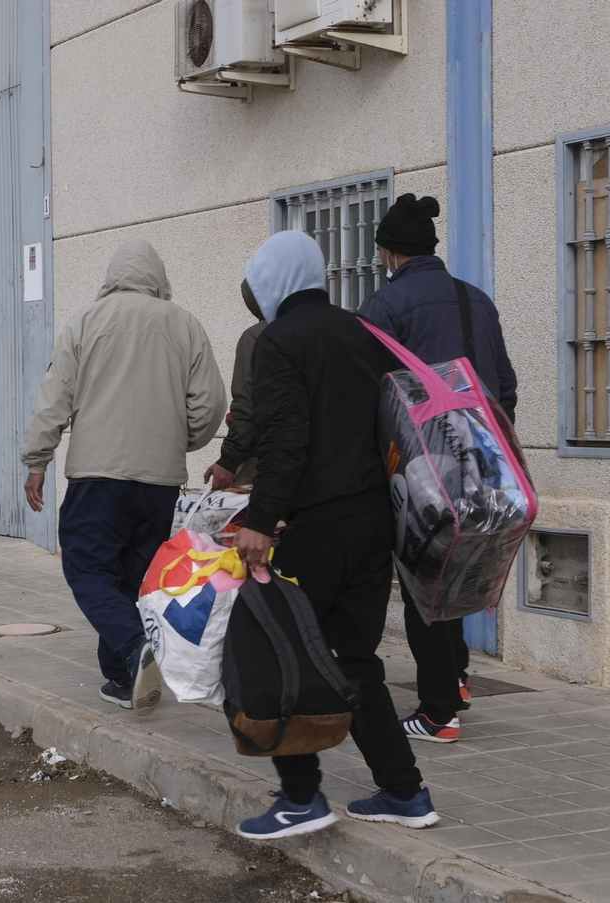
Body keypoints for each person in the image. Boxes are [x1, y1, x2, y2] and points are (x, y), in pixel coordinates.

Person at [231, 230, 438, 840]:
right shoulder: (361, 332)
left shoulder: (278, 342)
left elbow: (285, 439)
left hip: (315, 523)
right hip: (374, 524)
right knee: (353, 659)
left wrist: (260, 522)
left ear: (271, 282)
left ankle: (300, 798)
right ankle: (405, 791)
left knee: (274, 649)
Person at [21, 238, 226, 716]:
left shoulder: (85, 324)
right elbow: (211, 403)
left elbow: (54, 399)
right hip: (158, 481)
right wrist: (181, 441)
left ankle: (136, 648)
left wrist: (37, 460)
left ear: (112, 277)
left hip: (98, 474)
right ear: (159, 279)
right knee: (134, 576)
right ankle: (119, 678)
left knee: (88, 568)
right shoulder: (185, 325)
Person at [358, 193, 519, 745]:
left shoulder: (385, 307)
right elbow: (506, 386)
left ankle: (437, 713)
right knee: (464, 568)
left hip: (425, 463)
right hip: (489, 458)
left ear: (389, 252)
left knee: (425, 578)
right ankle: (457, 679)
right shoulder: (478, 301)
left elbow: (368, 391)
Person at [202, 302, 268, 490]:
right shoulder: (331, 330)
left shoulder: (256, 336)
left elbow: (246, 405)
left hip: (264, 460)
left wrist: (229, 460)